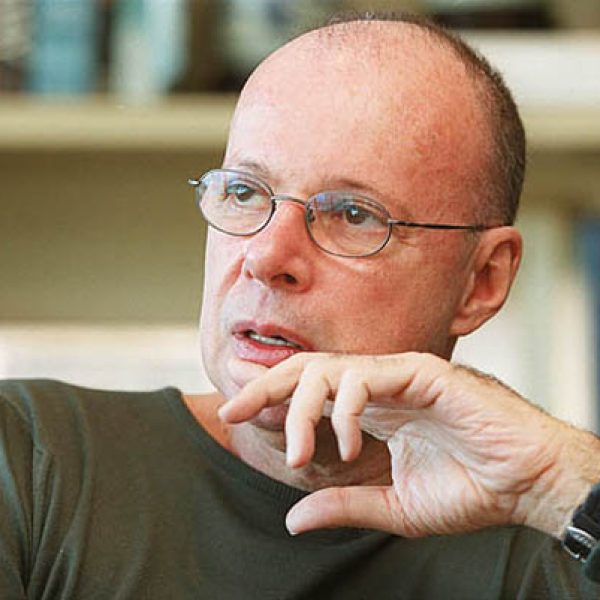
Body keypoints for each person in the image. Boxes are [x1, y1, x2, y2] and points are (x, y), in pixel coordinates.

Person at [1, 12, 599, 599]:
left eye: (353, 215)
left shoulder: (562, 533)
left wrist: (560, 480)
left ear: (481, 281)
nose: (266, 258)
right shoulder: (29, 458)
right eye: (243, 191)